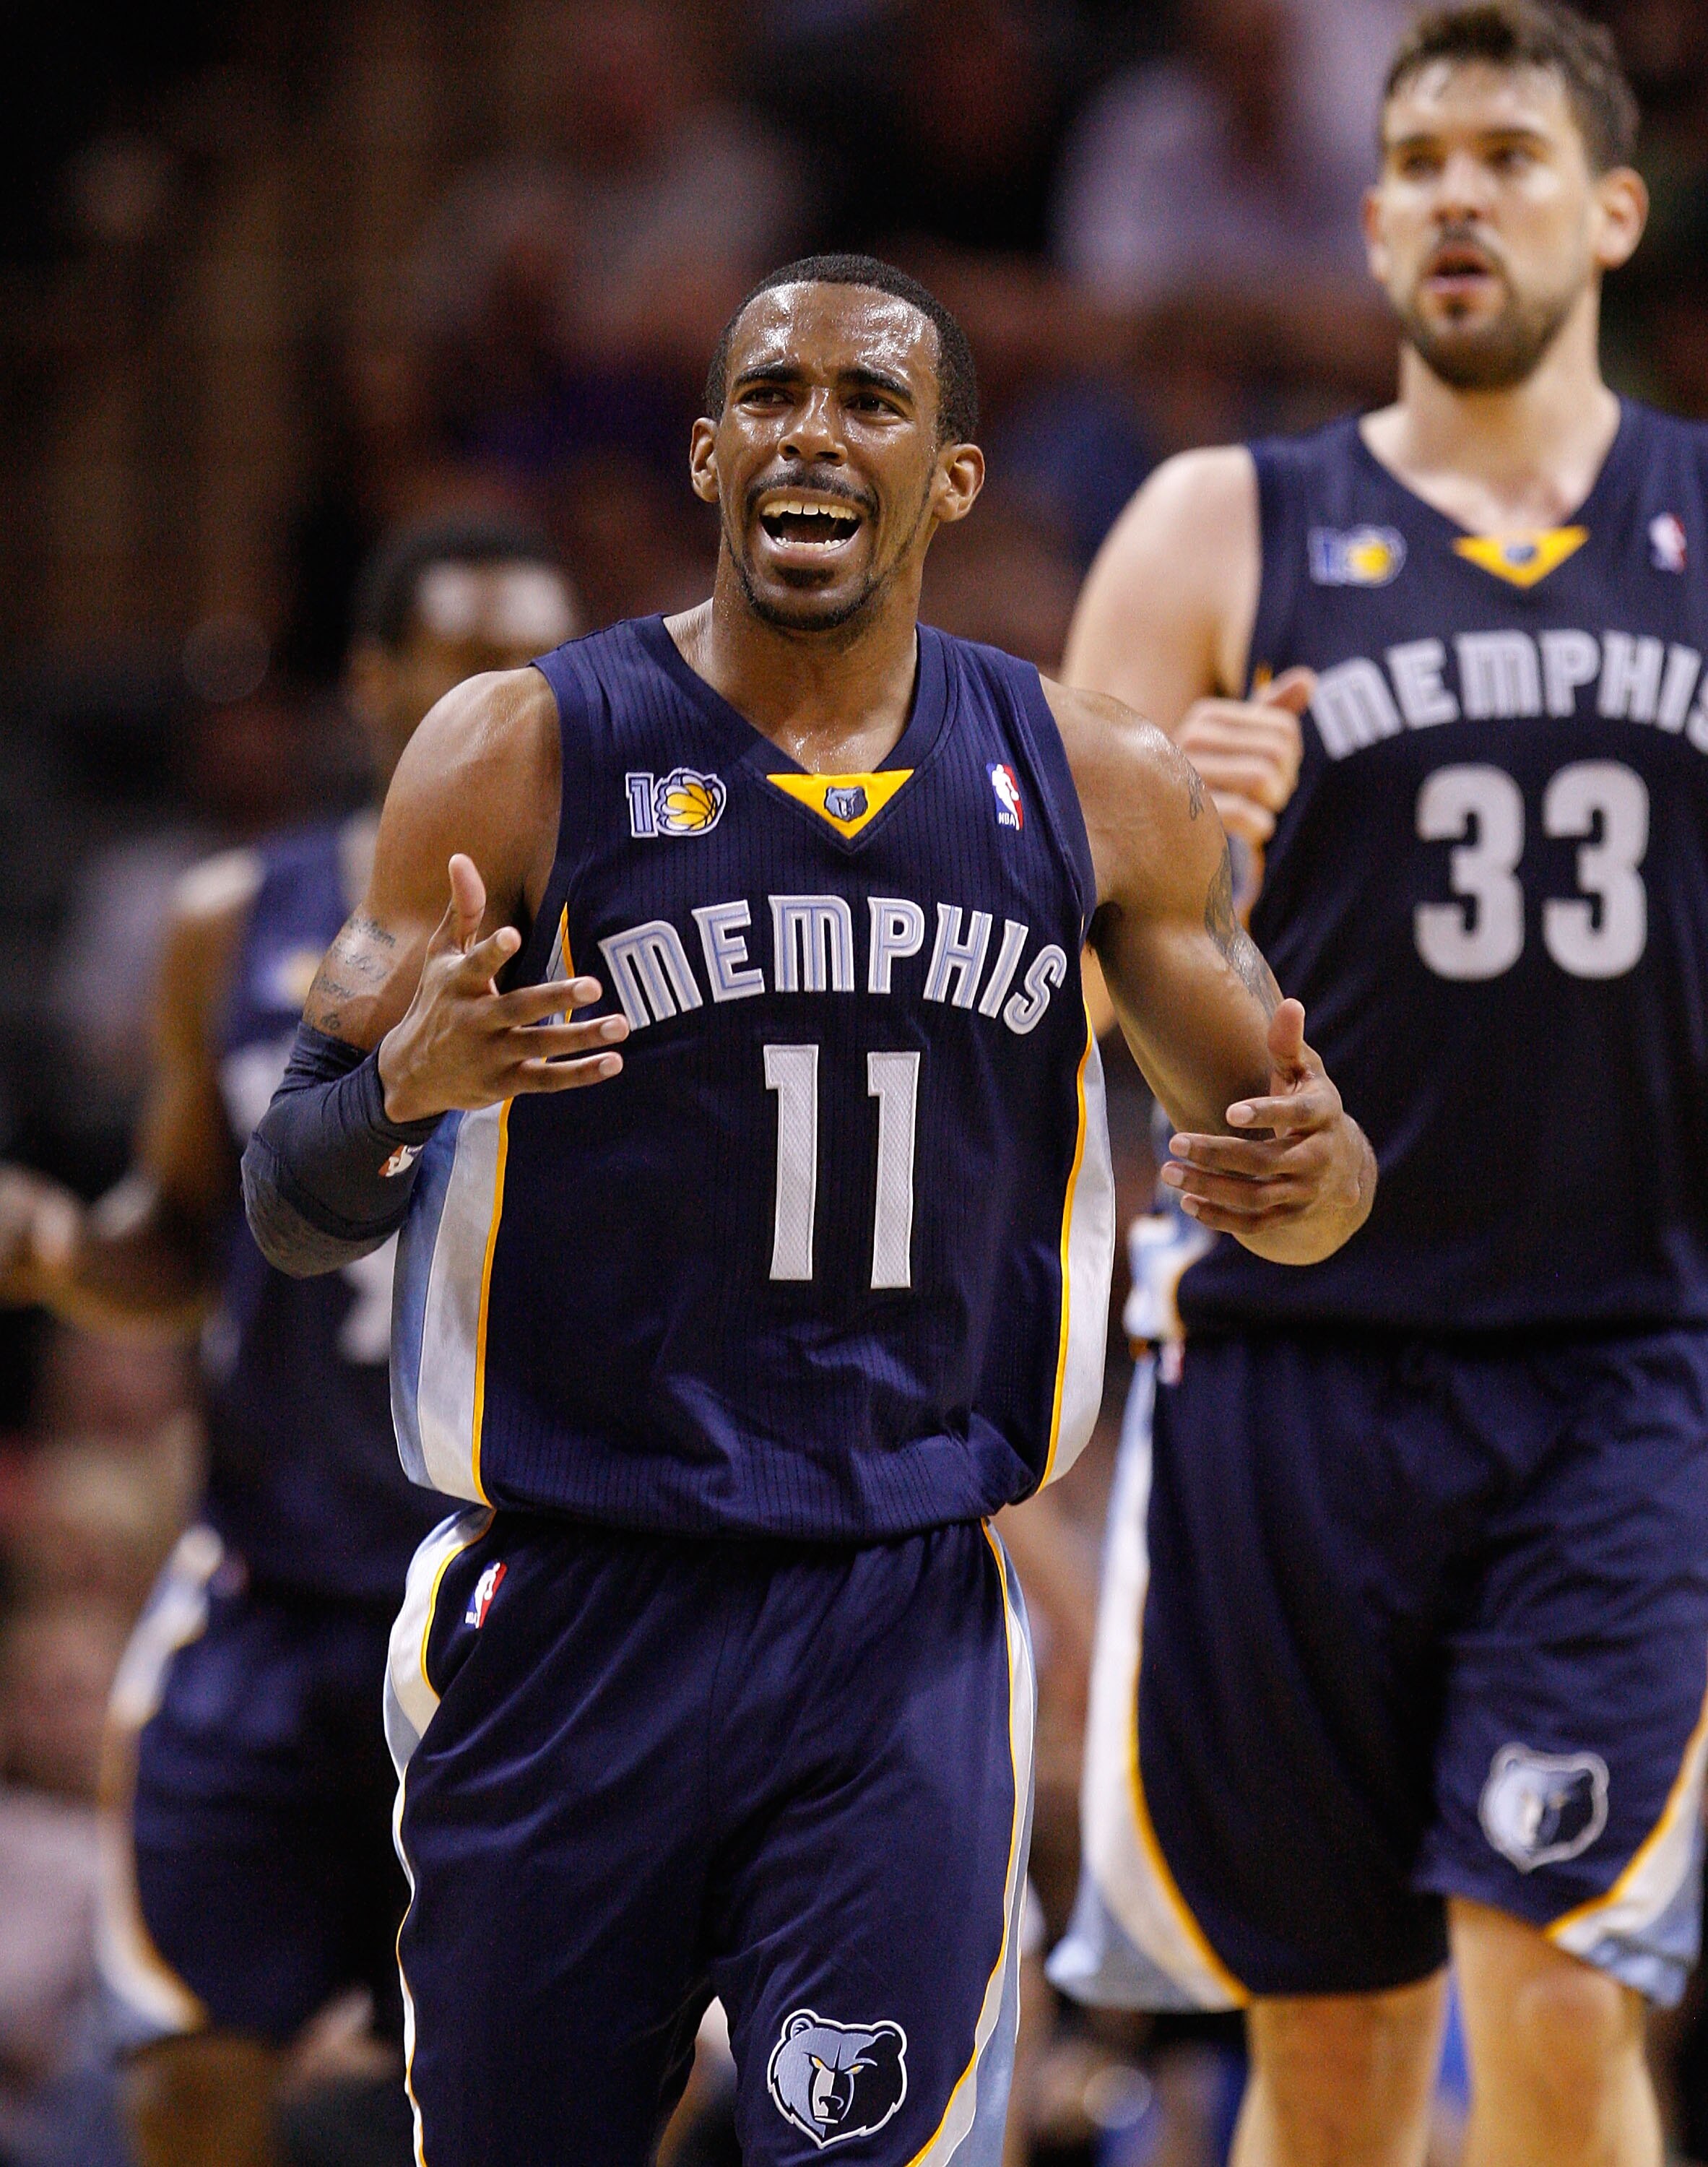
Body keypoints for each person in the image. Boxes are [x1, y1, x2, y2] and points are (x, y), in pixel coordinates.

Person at [237, 250, 1372, 2167]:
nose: (809, 434)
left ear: (949, 478)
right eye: (768, 396)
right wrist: (401, 1094)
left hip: (895, 1613)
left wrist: (1318, 1178)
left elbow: (1296, 1183)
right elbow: (289, 1202)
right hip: (570, 1592)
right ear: (702, 453)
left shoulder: (1094, 787)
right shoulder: (518, 753)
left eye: (865, 402)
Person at [1049, 7, 1707, 2166]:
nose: (1451, 193)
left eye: (1505, 155)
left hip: (1614, 1365)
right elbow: (1015, 954)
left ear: (1606, 211)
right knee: (1322, 2057)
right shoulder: (1213, 525)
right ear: (1362, 221)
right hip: (1282, 1362)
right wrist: (1186, 849)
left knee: (1549, 1991)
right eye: (1415, 157)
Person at [0, 514, 580, 2167]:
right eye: (457, 669)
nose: (494, 709)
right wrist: (54, 1249)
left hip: (498, 1594)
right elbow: (175, 1252)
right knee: (184, 2069)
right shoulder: (231, 919)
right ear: (373, 687)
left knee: (501, 2094)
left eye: (528, 674)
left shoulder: (634, 933)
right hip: (266, 1582)